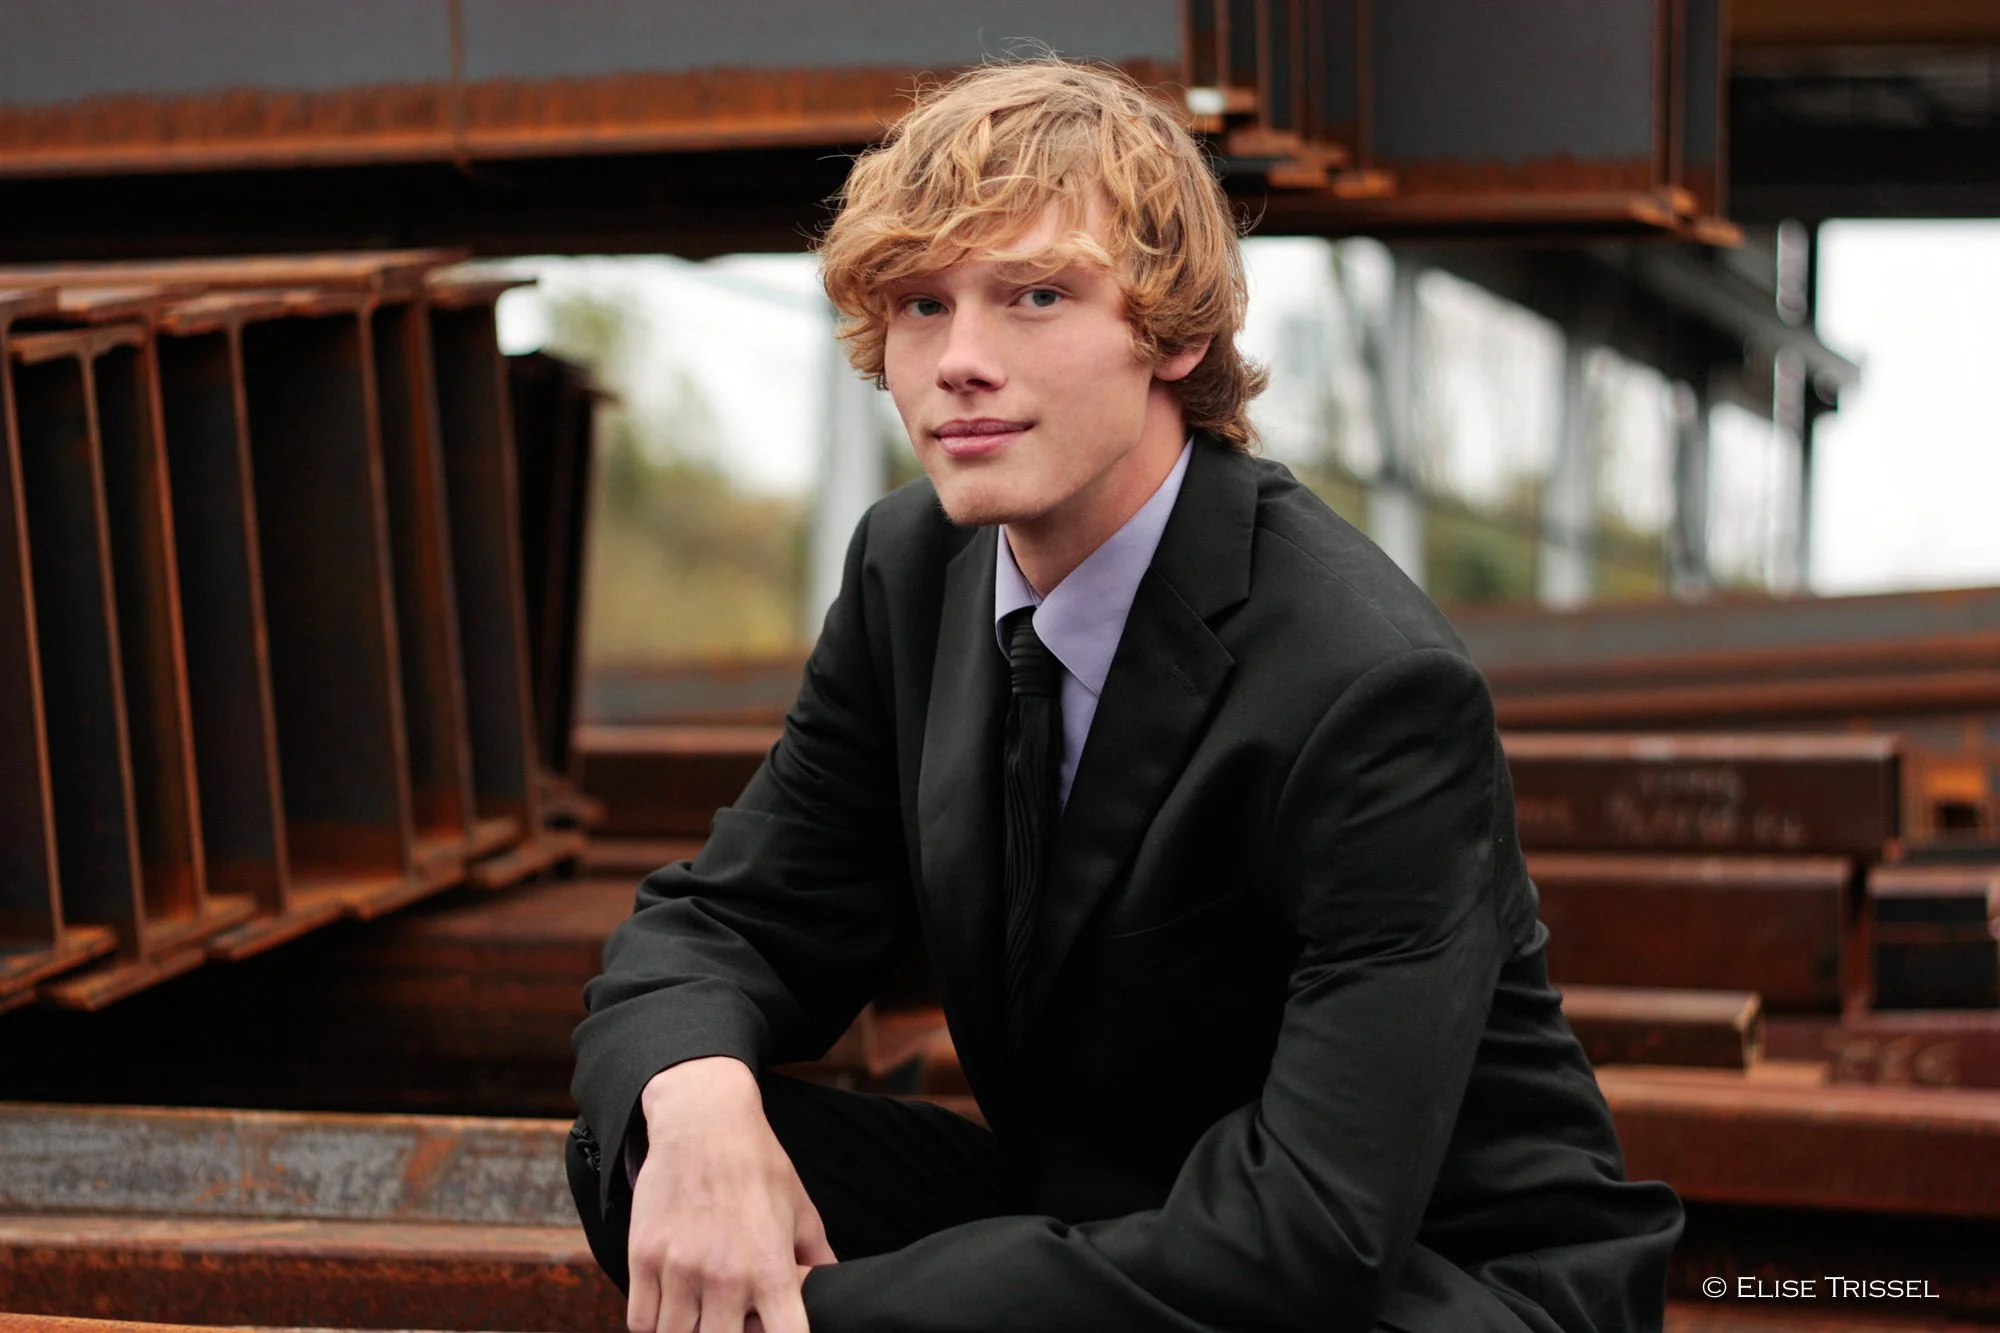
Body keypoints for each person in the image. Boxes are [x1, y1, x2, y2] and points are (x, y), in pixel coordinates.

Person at [567, 57, 1683, 1333]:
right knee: (661, 1169)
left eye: (1035, 294)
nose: (959, 362)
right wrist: (699, 1095)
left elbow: (1312, 1230)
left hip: (1423, 1279)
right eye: (922, 304)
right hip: (1109, 1212)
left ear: (1176, 331)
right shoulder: (910, 570)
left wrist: (839, 1320)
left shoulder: (1369, 687)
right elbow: (725, 922)